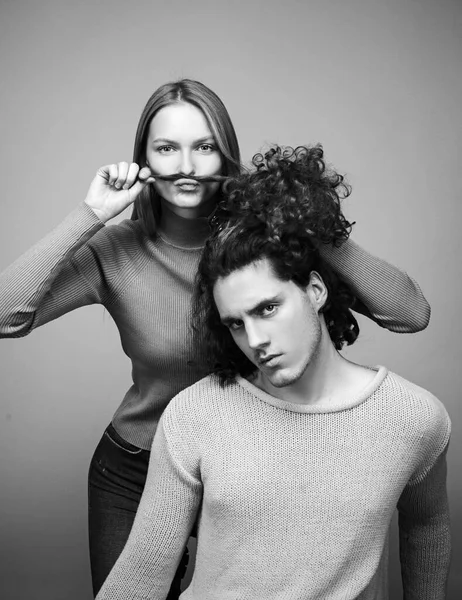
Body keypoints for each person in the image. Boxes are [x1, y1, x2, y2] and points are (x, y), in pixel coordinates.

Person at [0, 79, 430, 597]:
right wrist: (89, 216)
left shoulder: (267, 239)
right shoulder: (115, 251)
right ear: (144, 160)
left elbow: (409, 313)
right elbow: (6, 316)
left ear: (226, 154)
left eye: (204, 147)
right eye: (166, 148)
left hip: (253, 467)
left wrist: (309, 223)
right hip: (135, 466)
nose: (186, 165)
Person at [95, 146, 451, 600]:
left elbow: (427, 528)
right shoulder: (194, 415)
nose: (255, 339)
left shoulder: (413, 418)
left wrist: (310, 227)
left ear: (316, 290)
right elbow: (142, 573)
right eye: (237, 323)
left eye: (268, 308)